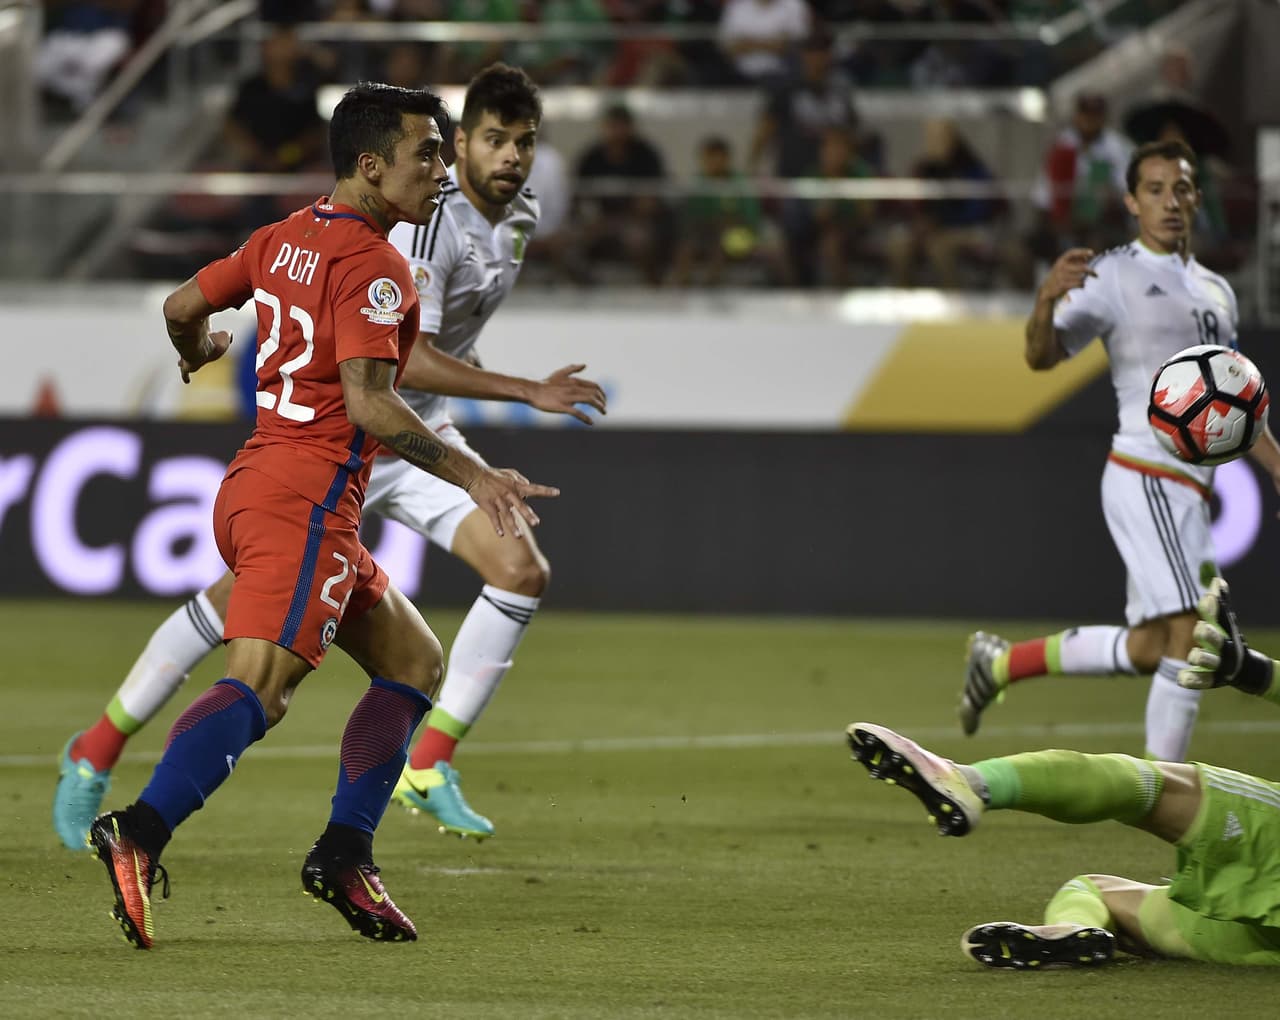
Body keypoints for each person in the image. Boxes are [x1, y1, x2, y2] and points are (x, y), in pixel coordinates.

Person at [55, 65, 604, 852]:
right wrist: (502, 428)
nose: (478, 163)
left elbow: (182, 306)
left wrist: (199, 345)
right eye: (469, 145)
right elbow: (381, 385)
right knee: (253, 666)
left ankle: (378, 819)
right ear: (379, 163)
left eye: (521, 142)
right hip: (337, 459)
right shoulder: (394, 246)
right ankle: (111, 778)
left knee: (478, 603)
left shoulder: (476, 220)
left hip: (363, 452)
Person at [958, 139, 1280, 761]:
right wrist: (1047, 299)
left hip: (1193, 486)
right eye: (1154, 190)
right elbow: (1039, 356)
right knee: (1192, 641)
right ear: (1132, 201)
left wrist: (1275, 464)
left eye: (1181, 188)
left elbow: (1235, 406)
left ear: (1196, 196)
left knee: (1151, 647)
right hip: (1146, 469)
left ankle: (999, 665)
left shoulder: (1218, 291)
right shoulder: (1113, 276)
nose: (1170, 202)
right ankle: (1167, 801)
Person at [847, 717, 1280, 968]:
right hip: (1254, 932)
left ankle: (970, 782)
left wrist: (1255, 673)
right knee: (1092, 887)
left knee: (1149, 785)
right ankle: (1075, 930)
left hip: (1244, 932)